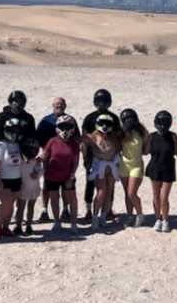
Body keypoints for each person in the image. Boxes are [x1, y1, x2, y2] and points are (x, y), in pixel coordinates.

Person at [0, 90, 36, 228]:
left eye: (20, 101)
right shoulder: (3, 116)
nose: (17, 104)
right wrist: (1, 151)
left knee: (19, 186)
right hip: (5, 150)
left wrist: (28, 152)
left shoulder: (28, 118)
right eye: (15, 101)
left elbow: (31, 136)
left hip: (21, 151)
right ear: (10, 101)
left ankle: (13, 214)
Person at [81, 89, 121, 222]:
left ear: (109, 102)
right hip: (93, 156)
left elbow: (117, 137)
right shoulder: (89, 118)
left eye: (104, 101)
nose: (102, 103)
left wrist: (116, 157)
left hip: (110, 156)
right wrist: (86, 158)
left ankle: (108, 209)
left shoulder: (114, 118)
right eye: (99, 101)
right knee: (90, 183)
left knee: (110, 185)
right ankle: (88, 209)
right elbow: (84, 139)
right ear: (95, 102)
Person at [36, 97, 74, 223]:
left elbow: (76, 137)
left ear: (65, 106)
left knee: (65, 184)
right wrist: (44, 153)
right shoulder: (46, 121)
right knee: (47, 184)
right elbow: (38, 138)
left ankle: (65, 210)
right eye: (57, 104)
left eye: (61, 104)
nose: (59, 106)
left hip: (66, 156)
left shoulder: (70, 119)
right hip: (49, 157)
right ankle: (44, 210)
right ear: (53, 105)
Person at [42, 114, 81, 235]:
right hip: (52, 176)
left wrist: (71, 176)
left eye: (67, 127)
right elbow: (45, 157)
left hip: (67, 176)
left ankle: (73, 223)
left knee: (72, 199)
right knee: (54, 199)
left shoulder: (74, 144)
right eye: (62, 127)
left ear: (72, 129)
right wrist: (44, 171)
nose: (65, 130)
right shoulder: (52, 141)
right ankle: (57, 222)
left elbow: (75, 162)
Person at [145, 111, 177, 233]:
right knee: (156, 196)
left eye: (165, 123)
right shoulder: (151, 136)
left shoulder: (173, 136)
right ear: (156, 123)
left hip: (168, 169)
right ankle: (157, 219)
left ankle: (165, 220)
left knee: (164, 197)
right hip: (154, 168)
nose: (162, 126)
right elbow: (145, 151)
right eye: (160, 123)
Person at [0, 118, 23, 239]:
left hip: (17, 178)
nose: (15, 133)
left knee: (12, 205)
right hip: (4, 180)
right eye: (12, 130)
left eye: (17, 130)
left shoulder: (18, 145)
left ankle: (5, 227)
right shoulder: (1, 145)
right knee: (6, 204)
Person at [119, 108, 149, 227]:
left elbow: (145, 151)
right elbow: (117, 147)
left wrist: (148, 141)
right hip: (124, 165)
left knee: (132, 193)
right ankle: (130, 215)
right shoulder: (121, 132)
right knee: (127, 193)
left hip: (136, 165)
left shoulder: (142, 132)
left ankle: (140, 215)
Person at [14, 138, 43, 236]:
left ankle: (24, 226)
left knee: (26, 207)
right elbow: (39, 172)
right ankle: (23, 226)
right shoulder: (25, 161)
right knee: (25, 207)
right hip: (28, 187)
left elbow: (40, 171)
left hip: (29, 187)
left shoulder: (34, 161)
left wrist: (36, 173)